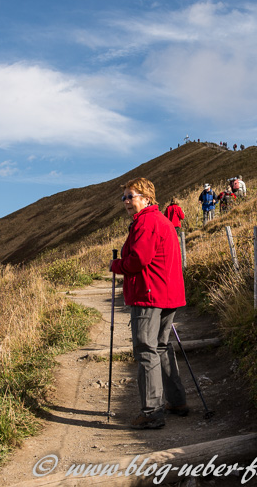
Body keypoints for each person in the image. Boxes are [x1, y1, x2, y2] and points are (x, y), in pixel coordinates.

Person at [110, 178, 188, 429]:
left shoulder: (146, 222)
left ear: (145, 197)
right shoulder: (160, 221)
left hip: (149, 294)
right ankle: (176, 402)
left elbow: (138, 260)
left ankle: (152, 412)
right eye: (124, 197)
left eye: (130, 196)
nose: (126, 202)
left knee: (146, 349)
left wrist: (117, 266)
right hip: (167, 294)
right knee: (162, 347)